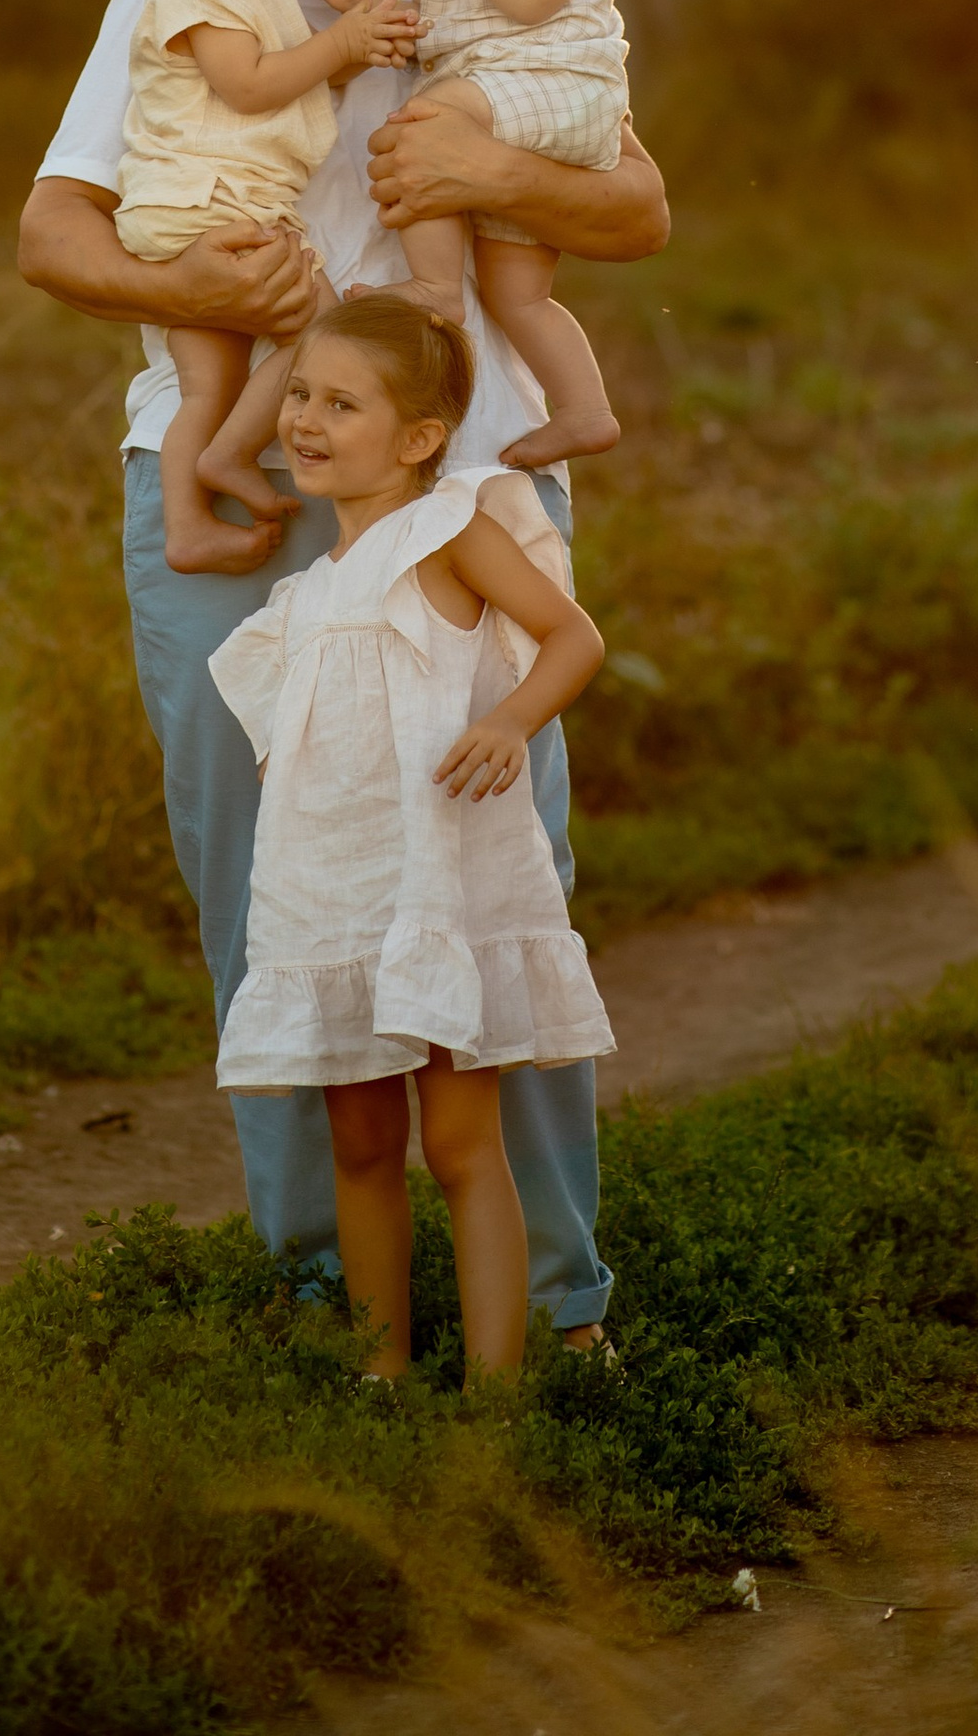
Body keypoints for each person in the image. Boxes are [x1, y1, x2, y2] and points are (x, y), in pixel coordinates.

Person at [16, 0, 669, 1343]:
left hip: (460, 487)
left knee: (501, 863)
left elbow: (638, 203)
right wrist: (186, 279)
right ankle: (323, 1290)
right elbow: (50, 235)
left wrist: (487, 182)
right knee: (266, 888)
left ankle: (564, 1298)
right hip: (243, 469)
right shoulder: (184, 4)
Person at [210, 292, 614, 1385]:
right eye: (298, 393)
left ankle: (497, 1398)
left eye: (341, 404)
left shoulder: (452, 530)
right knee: (361, 1144)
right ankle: (379, 1380)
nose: (303, 420)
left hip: (439, 888)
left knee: (457, 1144)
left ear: (419, 439)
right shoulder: (298, 602)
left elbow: (572, 637)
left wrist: (508, 719)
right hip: (338, 898)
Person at [111, 0, 421, 572]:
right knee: (318, 328)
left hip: (196, 207)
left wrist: (352, 18)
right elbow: (252, 85)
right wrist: (347, 38)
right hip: (214, 207)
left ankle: (190, 519)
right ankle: (228, 458)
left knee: (207, 384)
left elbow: (307, 73)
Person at [396, 0, 628, 462]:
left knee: (423, 125)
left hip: (561, 90)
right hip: (510, 98)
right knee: (515, 292)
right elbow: (428, 15)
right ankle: (585, 408)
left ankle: (432, 291)